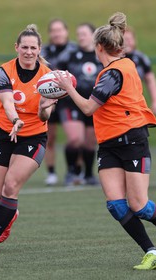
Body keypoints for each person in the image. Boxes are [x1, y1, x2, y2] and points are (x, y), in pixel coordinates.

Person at [54, 12, 156, 270]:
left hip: (133, 141)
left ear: (98, 47)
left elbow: (89, 108)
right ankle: (152, 252)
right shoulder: (113, 69)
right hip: (110, 145)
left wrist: (67, 88)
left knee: (139, 205)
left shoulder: (114, 73)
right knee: (116, 205)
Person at [0, 24, 57, 253]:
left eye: (33, 48)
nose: (29, 52)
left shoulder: (49, 78)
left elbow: (46, 116)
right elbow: (7, 102)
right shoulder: (4, 71)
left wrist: (44, 107)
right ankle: (10, 213)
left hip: (33, 136)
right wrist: (15, 121)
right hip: (6, 132)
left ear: (39, 49)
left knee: (10, 186)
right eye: (24, 47)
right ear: (17, 47)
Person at [57, 23, 103, 186]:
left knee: (90, 142)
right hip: (71, 103)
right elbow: (56, 75)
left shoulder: (101, 54)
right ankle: (71, 171)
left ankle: (89, 174)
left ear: (93, 35)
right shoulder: (69, 55)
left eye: (84, 33)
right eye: (79, 34)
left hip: (94, 103)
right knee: (76, 139)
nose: (81, 37)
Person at [40, 19, 78, 186]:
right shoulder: (44, 51)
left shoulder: (75, 49)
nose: (57, 33)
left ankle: (77, 170)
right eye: (53, 30)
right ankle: (51, 172)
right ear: (49, 34)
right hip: (49, 97)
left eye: (60, 30)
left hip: (70, 99)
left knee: (76, 137)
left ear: (66, 31)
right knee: (50, 136)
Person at [124, 27, 156, 115]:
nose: (126, 42)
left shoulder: (141, 58)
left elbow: (150, 80)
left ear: (134, 40)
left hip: (135, 103)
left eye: (129, 39)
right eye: (123, 39)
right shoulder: (113, 58)